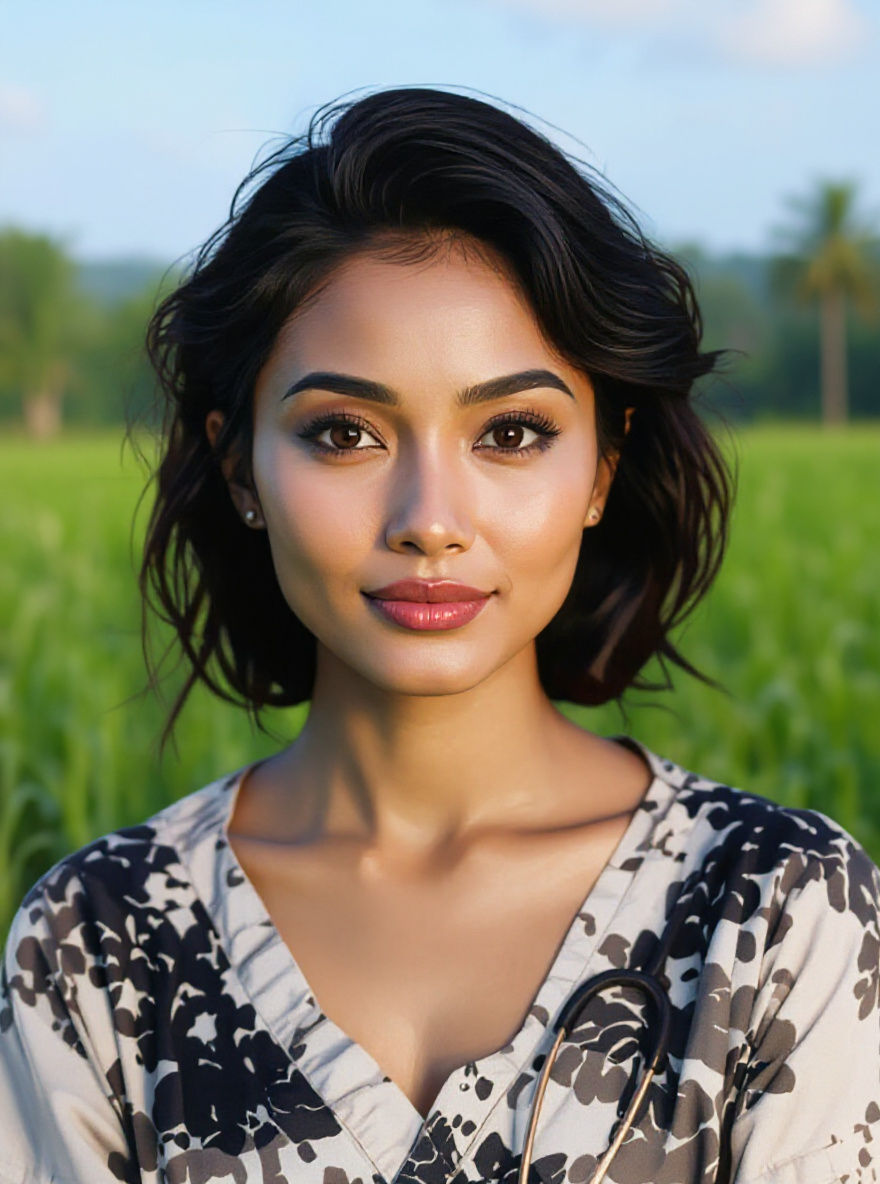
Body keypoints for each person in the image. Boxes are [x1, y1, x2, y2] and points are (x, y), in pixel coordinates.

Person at [1, 86, 878, 1184]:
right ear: (241, 469)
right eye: (344, 432)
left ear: (602, 466)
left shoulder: (776, 911)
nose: (429, 517)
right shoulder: (98, 943)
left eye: (511, 431)